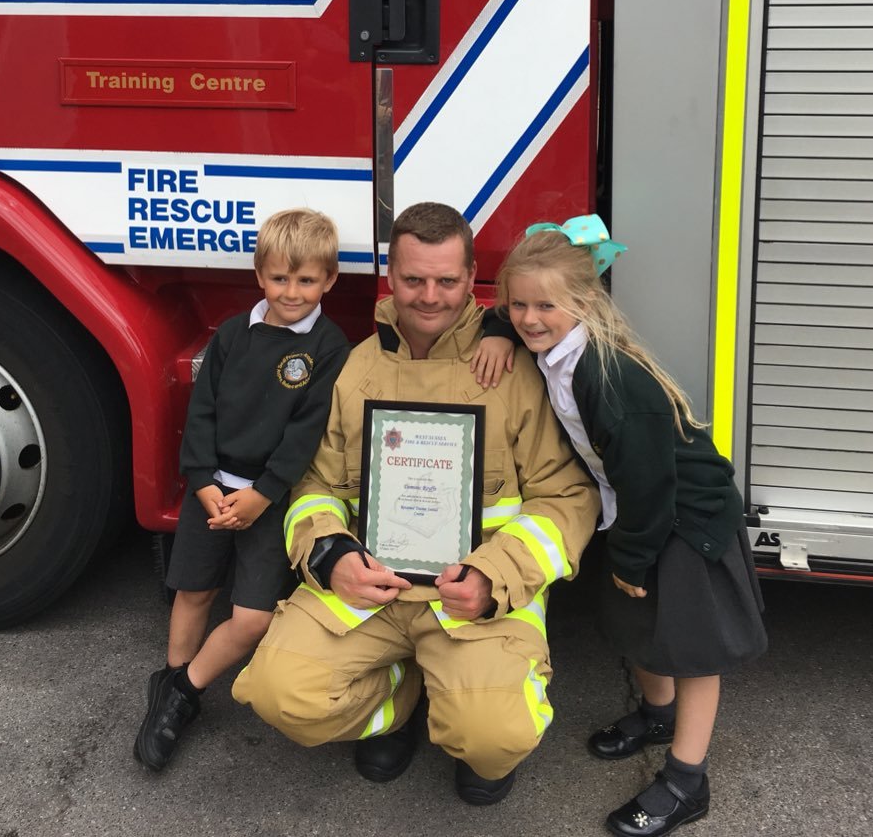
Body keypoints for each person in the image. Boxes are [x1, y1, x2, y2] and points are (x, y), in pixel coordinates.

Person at [232, 202, 601, 805]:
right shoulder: (355, 369)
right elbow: (315, 485)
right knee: (275, 694)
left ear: (473, 276)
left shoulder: (515, 370)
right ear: (389, 275)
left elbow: (567, 497)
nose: (430, 297)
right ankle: (399, 701)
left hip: (474, 598)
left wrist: (492, 576)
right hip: (370, 590)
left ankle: (463, 720)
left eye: (448, 281)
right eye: (413, 279)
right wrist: (330, 556)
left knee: (494, 735)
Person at [496, 214, 767, 837]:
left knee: (691, 648)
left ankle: (687, 780)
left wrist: (632, 560)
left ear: (585, 304)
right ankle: (658, 712)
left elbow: (651, 485)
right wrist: (493, 326)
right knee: (631, 622)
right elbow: (512, 310)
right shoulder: (554, 344)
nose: (529, 319)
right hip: (636, 510)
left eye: (545, 306)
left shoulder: (608, 378)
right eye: (517, 306)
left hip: (685, 518)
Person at [134, 208, 350, 771]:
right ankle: (170, 691)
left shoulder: (329, 347)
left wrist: (263, 494)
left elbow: (307, 432)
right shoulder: (233, 335)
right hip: (211, 490)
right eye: (280, 278)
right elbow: (200, 412)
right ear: (260, 276)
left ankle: (185, 689)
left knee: (252, 617)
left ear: (329, 280)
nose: (292, 291)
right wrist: (202, 482)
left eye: (306, 280)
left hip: (268, 503)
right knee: (193, 591)